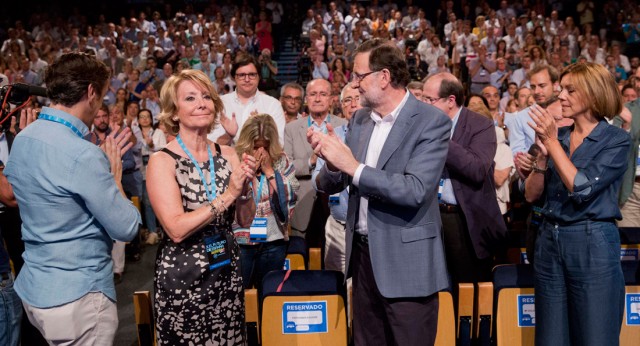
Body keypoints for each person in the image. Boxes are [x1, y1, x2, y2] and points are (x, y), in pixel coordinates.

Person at [309, 39, 450, 345]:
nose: (354, 84)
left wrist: (353, 166)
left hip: (407, 263)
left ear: (384, 77)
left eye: (359, 76)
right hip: (361, 259)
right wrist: (331, 161)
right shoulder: (359, 119)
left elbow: (415, 190)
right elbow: (330, 181)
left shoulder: (431, 122)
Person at [4, 52, 141, 345]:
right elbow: (127, 228)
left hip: (34, 290)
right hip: (78, 298)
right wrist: (114, 178)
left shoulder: (24, 137)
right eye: (102, 96)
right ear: (91, 92)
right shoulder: (84, 155)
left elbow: (17, 194)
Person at [146, 69, 256, 345]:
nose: (201, 103)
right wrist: (229, 194)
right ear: (173, 112)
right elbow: (175, 229)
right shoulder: (163, 160)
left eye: (206, 96)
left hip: (226, 273)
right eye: (190, 98)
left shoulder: (228, 154)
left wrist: (245, 192)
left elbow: (244, 219)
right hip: (184, 279)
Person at [524, 62, 630, 345]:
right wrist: (542, 159)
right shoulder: (557, 137)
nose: (561, 97)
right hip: (549, 241)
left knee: (595, 336)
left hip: (591, 241)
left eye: (570, 90)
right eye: (561, 90)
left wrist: (551, 144)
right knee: (550, 338)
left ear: (594, 94)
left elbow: (582, 187)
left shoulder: (616, 140)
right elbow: (531, 195)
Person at [422, 73, 506, 287]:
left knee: (467, 290)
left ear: (450, 100)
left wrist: (440, 135)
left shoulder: (481, 126)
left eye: (429, 100)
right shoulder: (421, 126)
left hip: (464, 220)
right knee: (434, 289)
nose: (424, 105)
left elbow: (476, 169)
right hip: (429, 216)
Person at [234, 114, 298, 288]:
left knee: (268, 293)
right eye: (256, 146)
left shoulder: (281, 160)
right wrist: (248, 173)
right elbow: (229, 197)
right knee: (242, 294)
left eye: (265, 147)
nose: (261, 152)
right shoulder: (234, 159)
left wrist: (270, 172)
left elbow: (291, 195)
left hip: (274, 240)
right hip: (242, 243)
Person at [284, 79, 347, 243]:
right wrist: (311, 161)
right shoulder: (291, 128)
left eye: (323, 94)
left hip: (337, 204)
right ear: (306, 99)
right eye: (313, 94)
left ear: (331, 99)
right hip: (303, 204)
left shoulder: (344, 125)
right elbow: (286, 167)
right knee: (302, 261)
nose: (317, 99)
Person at [312, 83, 362, 275]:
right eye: (347, 100)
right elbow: (317, 182)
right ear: (340, 105)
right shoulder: (331, 137)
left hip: (371, 228)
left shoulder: (379, 134)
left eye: (357, 98)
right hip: (337, 227)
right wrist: (331, 166)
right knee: (337, 289)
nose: (352, 104)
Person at [208, 54, 285, 146]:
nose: (247, 79)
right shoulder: (221, 104)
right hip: (227, 159)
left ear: (259, 77)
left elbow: (279, 144)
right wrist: (229, 135)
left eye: (252, 75)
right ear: (234, 77)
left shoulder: (273, 105)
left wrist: (259, 133)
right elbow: (211, 144)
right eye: (241, 75)